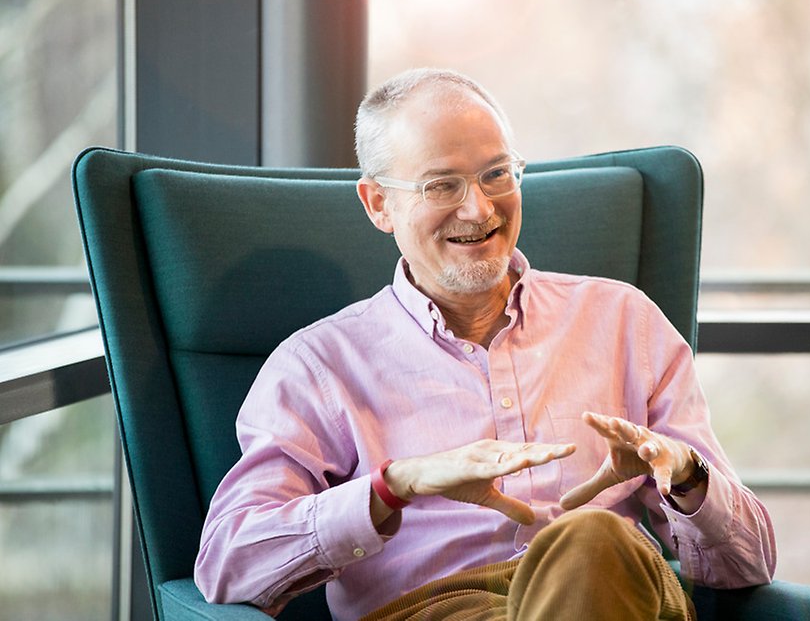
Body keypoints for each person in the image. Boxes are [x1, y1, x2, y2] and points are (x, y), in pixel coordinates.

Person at [195, 68, 776, 621]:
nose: (479, 208)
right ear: (378, 204)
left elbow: (748, 562)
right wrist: (395, 487)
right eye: (442, 184)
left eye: (496, 174)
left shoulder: (624, 320)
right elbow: (227, 565)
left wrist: (689, 476)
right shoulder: (319, 365)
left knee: (595, 540)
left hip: (617, 589)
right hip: (435, 607)